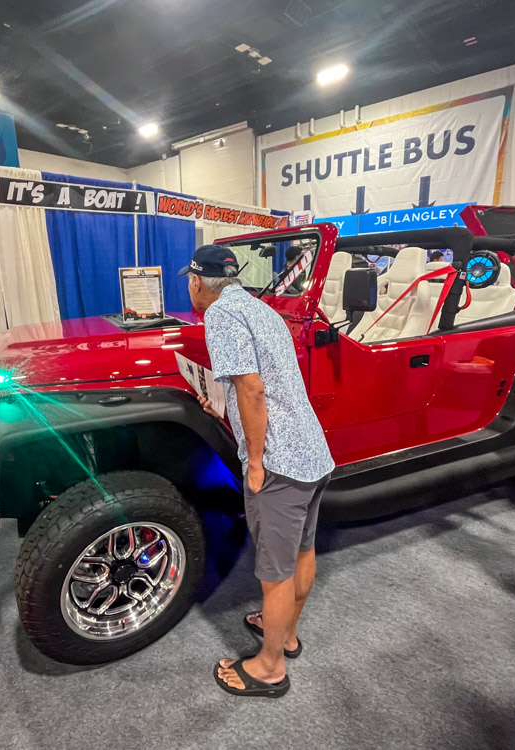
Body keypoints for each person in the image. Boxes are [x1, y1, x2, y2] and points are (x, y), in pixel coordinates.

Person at [180, 245, 334, 697]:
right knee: (302, 553)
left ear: (196, 282)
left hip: (280, 464)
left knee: (274, 572)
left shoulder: (219, 317)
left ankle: (269, 669)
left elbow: (252, 388)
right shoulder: (259, 309)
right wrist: (220, 405)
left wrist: (255, 463)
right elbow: (261, 381)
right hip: (312, 454)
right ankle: (283, 634)